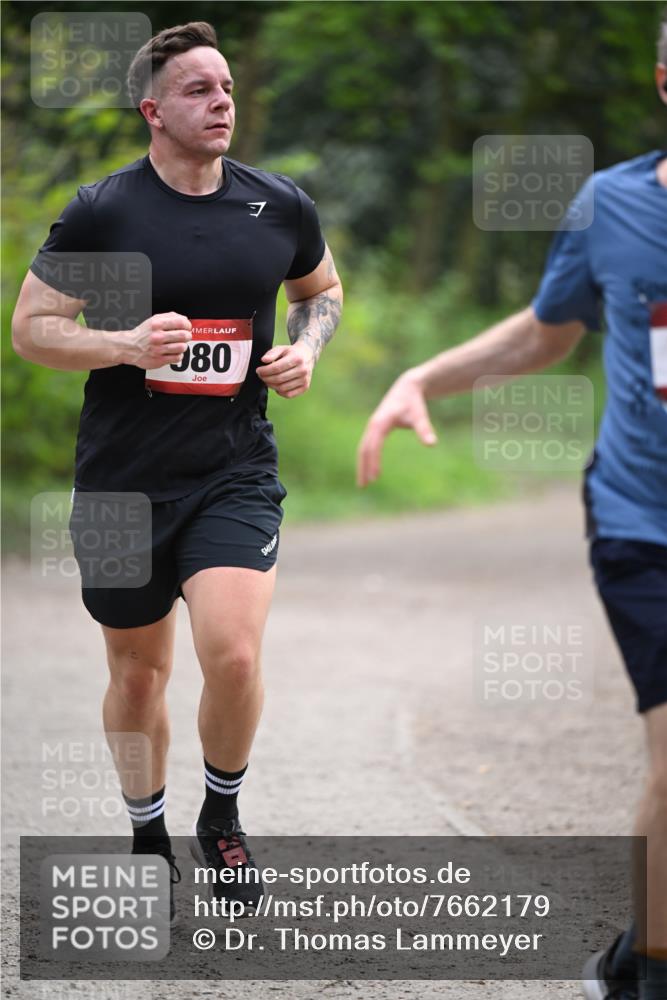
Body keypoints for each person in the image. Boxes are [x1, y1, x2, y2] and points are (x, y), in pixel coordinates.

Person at [357, 11, 667, 1000]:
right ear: (664, 82)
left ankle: (632, 951)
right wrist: (422, 377)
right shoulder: (610, 205)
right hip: (643, 521)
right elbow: (543, 333)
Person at [12, 21, 343, 918]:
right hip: (121, 477)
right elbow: (32, 329)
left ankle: (221, 816)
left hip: (234, 467)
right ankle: (146, 830)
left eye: (226, 86)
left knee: (232, 654)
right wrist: (123, 344)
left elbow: (320, 292)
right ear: (153, 111)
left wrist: (307, 350)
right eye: (199, 89)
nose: (221, 101)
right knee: (137, 675)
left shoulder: (278, 205)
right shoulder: (105, 211)